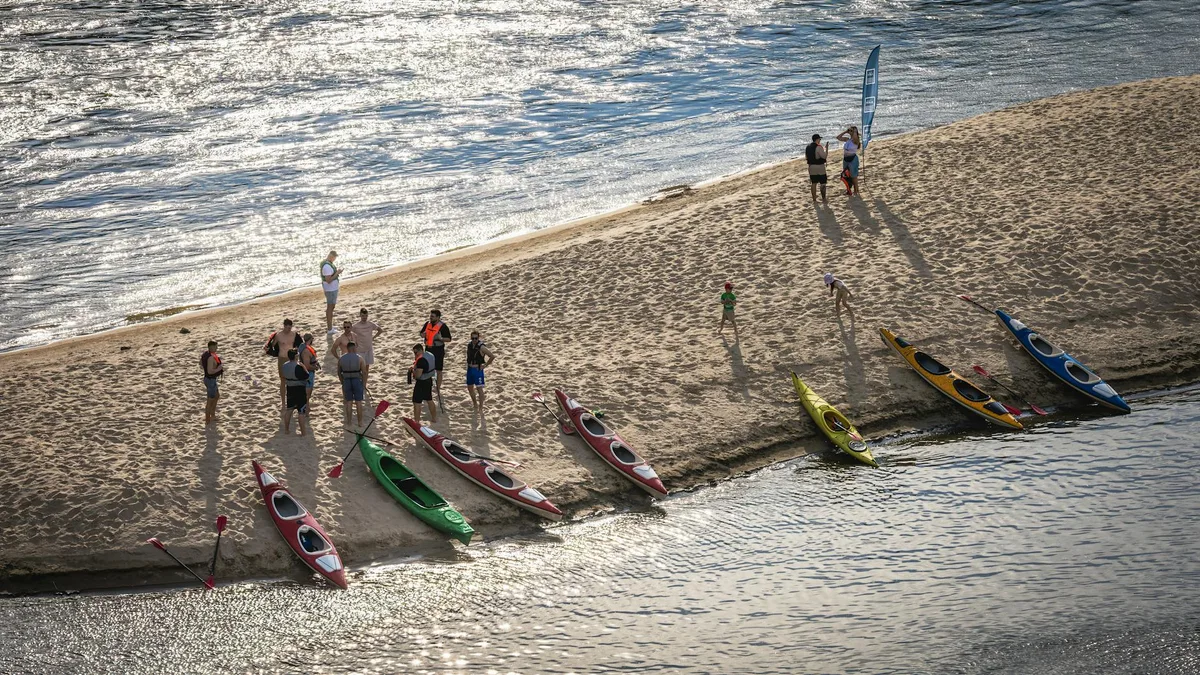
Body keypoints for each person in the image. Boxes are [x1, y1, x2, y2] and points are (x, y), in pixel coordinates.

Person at [265, 319, 303, 407]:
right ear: (284, 326)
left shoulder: (294, 335)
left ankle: (294, 400)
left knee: (294, 380)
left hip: (292, 359)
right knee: (283, 380)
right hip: (282, 358)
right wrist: (269, 350)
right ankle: (283, 403)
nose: (288, 329)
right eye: (287, 327)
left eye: (290, 328)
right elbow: (271, 346)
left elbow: (300, 345)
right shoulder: (278, 335)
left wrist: (296, 352)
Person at [419, 309, 452, 401]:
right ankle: (427, 386)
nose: (430, 318)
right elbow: (421, 334)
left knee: (438, 370)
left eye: (432, 316)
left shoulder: (443, 326)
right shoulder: (427, 324)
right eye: (430, 316)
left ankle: (438, 387)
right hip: (428, 349)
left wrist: (440, 338)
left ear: (438, 317)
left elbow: (449, 339)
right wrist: (423, 335)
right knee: (426, 369)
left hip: (438, 350)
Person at [351, 308, 383, 389]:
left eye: (365, 316)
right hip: (360, 350)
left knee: (366, 368)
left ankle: (364, 384)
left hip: (369, 349)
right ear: (360, 315)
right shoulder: (356, 326)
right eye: (362, 316)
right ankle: (359, 383)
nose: (364, 317)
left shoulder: (370, 324)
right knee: (359, 368)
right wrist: (354, 342)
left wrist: (374, 337)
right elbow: (350, 333)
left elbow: (380, 330)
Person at [281, 348, 310, 435]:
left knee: (289, 409)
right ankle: (303, 432)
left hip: (290, 388)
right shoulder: (298, 366)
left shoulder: (284, 365)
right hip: (299, 389)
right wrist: (304, 367)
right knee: (301, 412)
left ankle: (286, 429)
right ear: (296, 356)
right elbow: (306, 376)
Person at [465, 331, 495, 410]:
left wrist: (485, 365)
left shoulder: (481, 347)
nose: (474, 340)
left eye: (476, 338)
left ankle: (481, 406)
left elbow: (492, 356)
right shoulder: (470, 345)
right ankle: (475, 403)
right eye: (472, 338)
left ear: (478, 338)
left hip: (477, 370)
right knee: (470, 387)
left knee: (479, 389)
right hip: (470, 369)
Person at [409, 343, 438, 424]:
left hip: (422, 382)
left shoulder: (421, 360)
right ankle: (434, 418)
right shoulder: (430, 355)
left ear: (421, 350)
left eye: (416, 352)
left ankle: (417, 421)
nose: (415, 354)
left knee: (417, 402)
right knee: (429, 399)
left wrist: (413, 372)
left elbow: (418, 375)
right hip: (429, 380)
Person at [339, 341, 366, 427]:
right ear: (354, 348)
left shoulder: (341, 359)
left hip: (346, 380)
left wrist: (342, 382)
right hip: (356, 380)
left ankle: (349, 422)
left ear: (347, 348)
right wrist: (364, 384)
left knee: (349, 402)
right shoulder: (359, 358)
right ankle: (360, 422)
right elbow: (364, 372)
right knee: (358, 402)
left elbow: (339, 372)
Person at [201, 340, 223, 425]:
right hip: (210, 380)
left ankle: (212, 415)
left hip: (209, 379)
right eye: (215, 347)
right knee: (210, 400)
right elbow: (210, 371)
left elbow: (200, 363)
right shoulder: (210, 357)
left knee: (217, 396)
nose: (216, 348)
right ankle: (208, 419)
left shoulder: (205, 354)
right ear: (211, 347)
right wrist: (219, 368)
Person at [836, 126, 862, 196]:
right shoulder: (848, 140)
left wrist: (854, 130)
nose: (851, 132)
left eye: (852, 131)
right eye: (850, 131)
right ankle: (849, 190)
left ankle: (856, 190)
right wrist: (846, 131)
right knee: (846, 175)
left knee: (854, 176)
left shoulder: (856, 140)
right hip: (846, 159)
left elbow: (855, 136)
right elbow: (838, 137)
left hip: (852, 159)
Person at [321, 251, 341, 334]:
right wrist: (337, 273)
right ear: (331, 256)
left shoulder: (328, 264)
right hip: (330, 289)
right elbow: (328, 280)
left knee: (332, 307)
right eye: (334, 257)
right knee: (330, 308)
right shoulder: (326, 266)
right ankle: (330, 329)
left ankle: (330, 326)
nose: (334, 259)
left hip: (332, 289)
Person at [805, 133, 829, 203]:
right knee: (823, 183)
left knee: (814, 183)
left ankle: (814, 199)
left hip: (811, 167)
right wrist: (826, 149)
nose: (820, 140)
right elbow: (824, 156)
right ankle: (824, 198)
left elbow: (806, 157)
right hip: (819, 167)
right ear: (817, 139)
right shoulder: (818, 147)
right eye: (819, 139)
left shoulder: (807, 147)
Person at [301, 333, 320, 403]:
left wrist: (316, 363)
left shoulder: (307, 348)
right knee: (307, 393)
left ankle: (306, 408)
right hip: (307, 374)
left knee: (308, 393)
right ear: (310, 339)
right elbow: (307, 366)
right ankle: (305, 410)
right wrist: (315, 368)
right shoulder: (306, 351)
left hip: (309, 373)